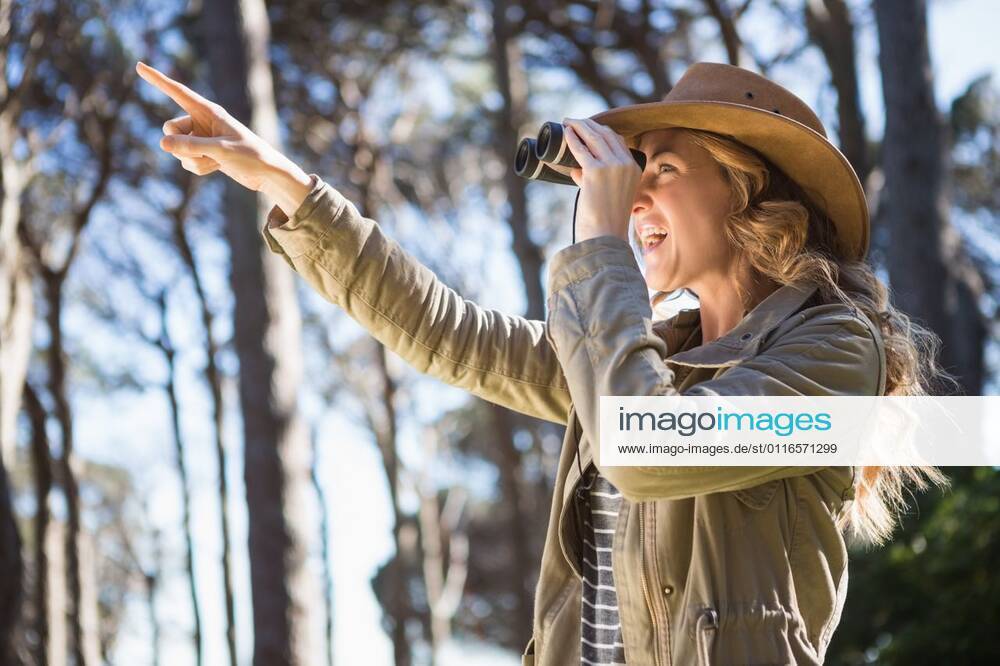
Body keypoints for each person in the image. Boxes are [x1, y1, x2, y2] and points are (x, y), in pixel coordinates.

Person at [136, 60, 949, 666]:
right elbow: (448, 331)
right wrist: (284, 183)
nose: (633, 201)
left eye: (661, 170)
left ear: (748, 190)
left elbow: (647, 449)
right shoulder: (639, 355)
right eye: (632, 174)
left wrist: (600, 249)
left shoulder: (837, 347)